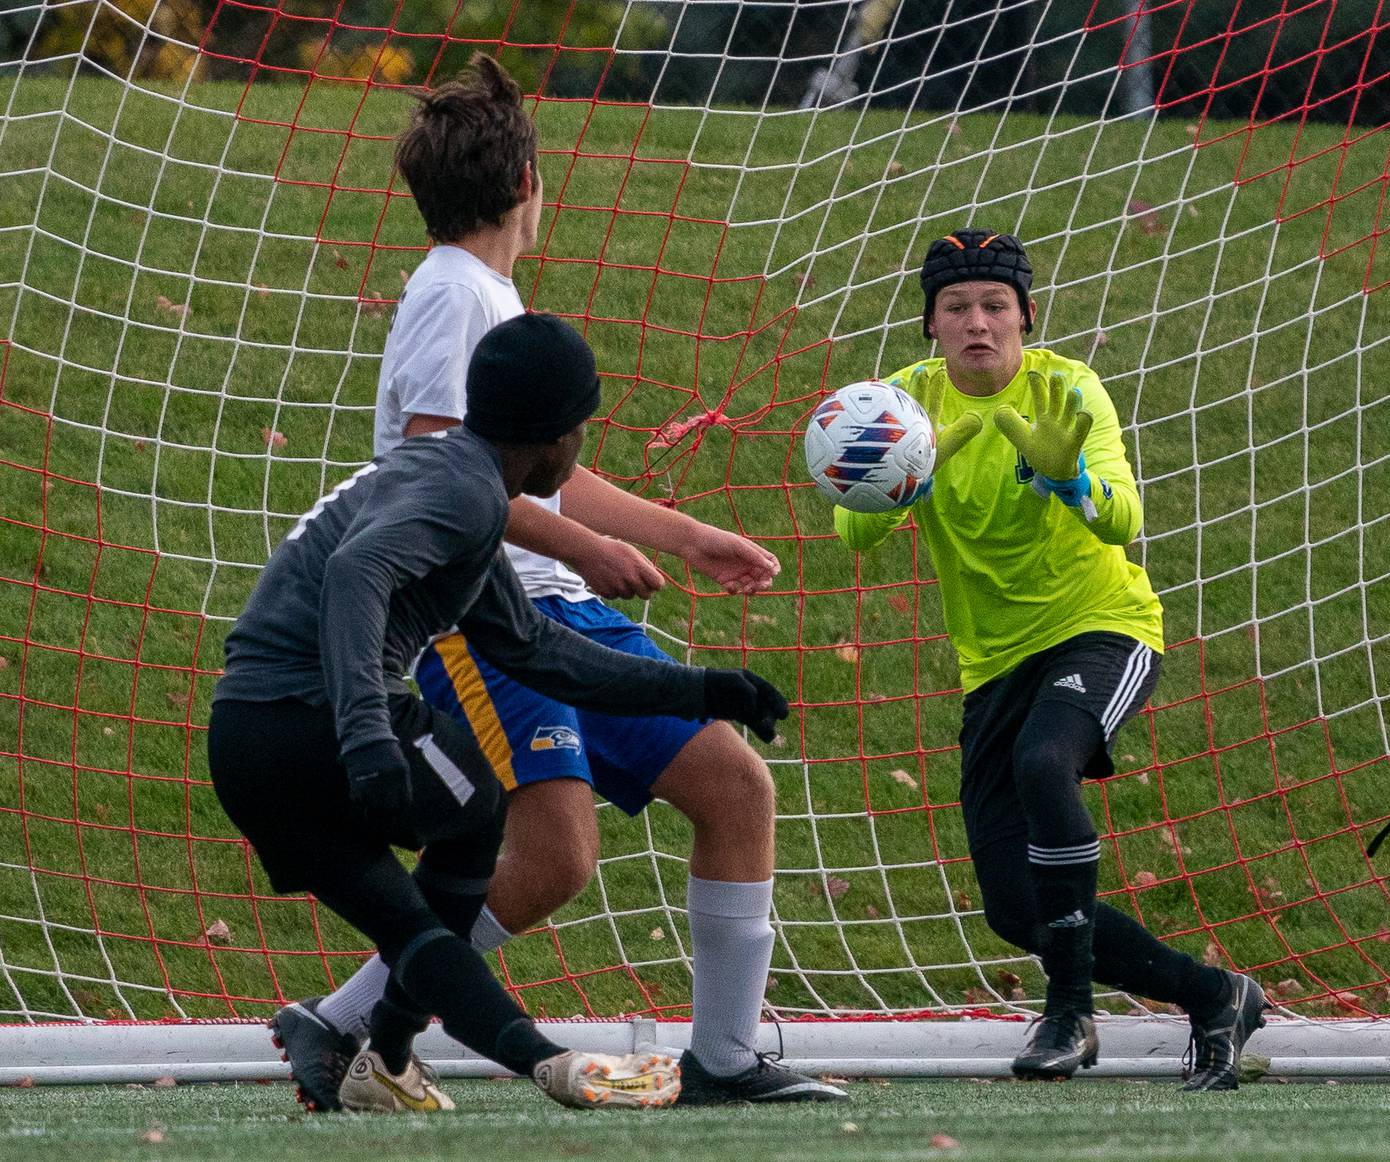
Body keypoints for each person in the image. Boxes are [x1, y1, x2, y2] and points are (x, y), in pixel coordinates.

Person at [269, 52, 847, 1110]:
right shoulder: (452, 298)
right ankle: (344, 1022)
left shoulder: (486, 291)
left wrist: (683, 535)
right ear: (529, 181)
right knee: (556, 857)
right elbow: (442, 474)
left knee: (734, 786)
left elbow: (549, 471)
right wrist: (578, 549)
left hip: (561, 607)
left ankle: (724, 1055)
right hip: (493, 621)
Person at [211, 313, 790, 1114]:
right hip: (314, 717)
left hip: (244, 743)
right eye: (584, 425)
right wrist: (368, 734)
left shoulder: (458, 481)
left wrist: (701, 691)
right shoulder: (461, 491)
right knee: (477, 809)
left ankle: (385, 1057)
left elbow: (536, 651)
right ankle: (545, 1065)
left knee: (420, 922)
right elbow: (356, 572)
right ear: (558, 436)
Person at [831, 229, 1270, 1090]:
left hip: (1103, 628)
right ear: (931, 325)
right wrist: (905, 476)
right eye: (956, 308)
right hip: (993, 665)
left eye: (996, 305)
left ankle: (1069, 1015)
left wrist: (1072, 482)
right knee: (1012, 905)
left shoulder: (1070, 388)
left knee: (1044, 765)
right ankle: (1215, 994)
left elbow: (1125, 519)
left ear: (1026, 316)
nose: (977, 323)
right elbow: (854, 530)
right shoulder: (899, 404)